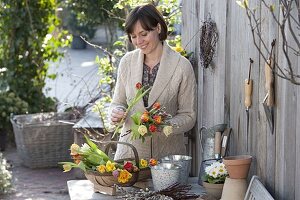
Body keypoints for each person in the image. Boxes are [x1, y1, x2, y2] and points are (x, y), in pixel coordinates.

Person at [110, 3, 197, 160]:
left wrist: (165, 125)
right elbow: (118, 103)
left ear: (158, 28)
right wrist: (116, 113)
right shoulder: (127, 62)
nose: (138, 41)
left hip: (168, 159)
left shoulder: (182, 66)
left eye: (143, 34)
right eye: (133, 36)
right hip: (130, 157)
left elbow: (188, 116)